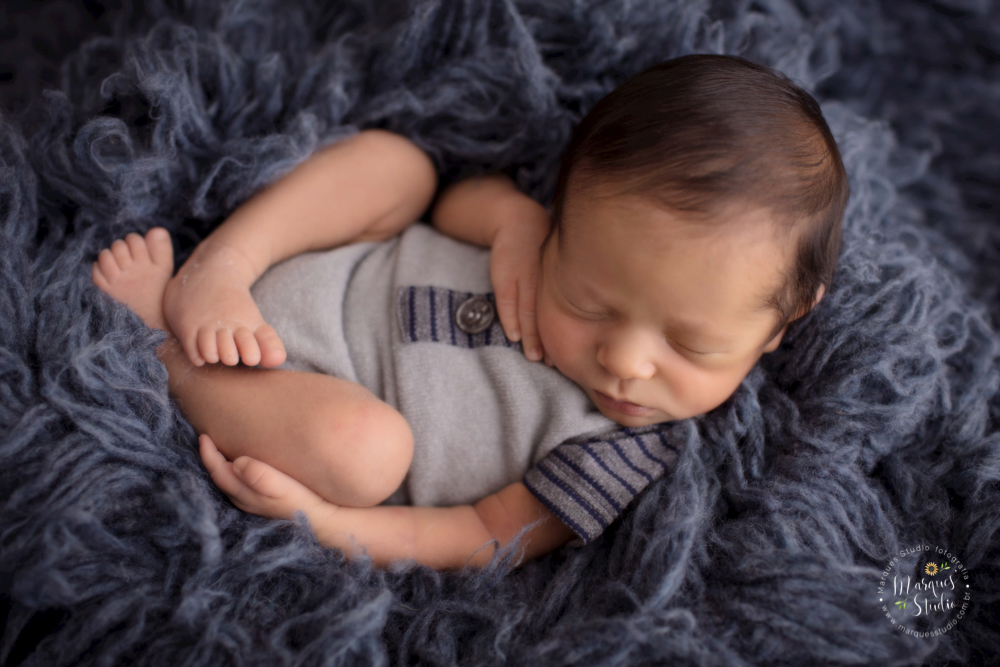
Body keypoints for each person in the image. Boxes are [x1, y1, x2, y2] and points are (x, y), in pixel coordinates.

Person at [90, 54, 848, 569]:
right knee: (403, 168)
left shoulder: (619, 452)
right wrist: (513, 223)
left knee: (368, 450)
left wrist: (327, 525)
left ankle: (168, 348)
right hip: (335, 263)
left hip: (301, 398)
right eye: (584, 298)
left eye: (691, 343)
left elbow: (485, 534)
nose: (624, 358)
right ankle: (223, 264)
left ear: (782, 324)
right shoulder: (536, 234)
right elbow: (456, 204)